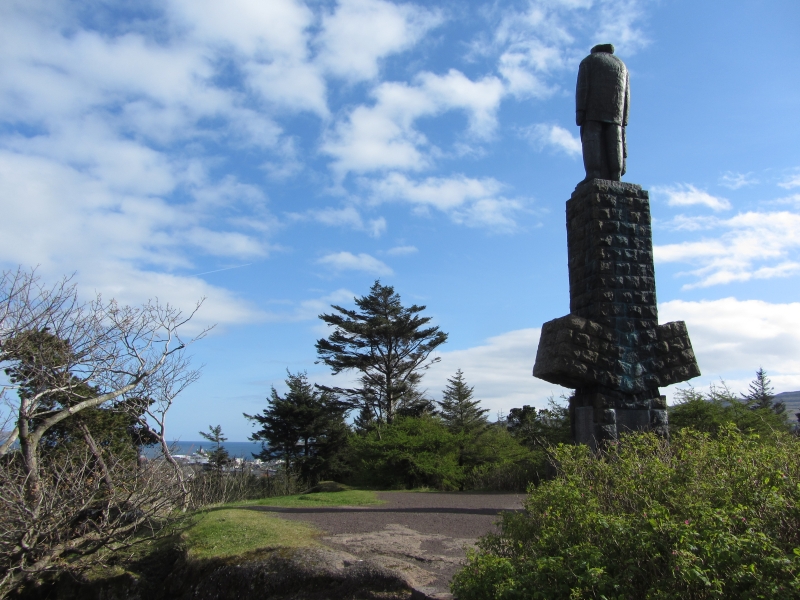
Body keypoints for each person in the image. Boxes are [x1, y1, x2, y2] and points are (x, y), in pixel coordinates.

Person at [576, 43, 629, 181]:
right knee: (615, 140)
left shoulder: (589, 61)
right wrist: (625, 118)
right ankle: (616, 174)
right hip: (616, 113)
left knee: (591, 137)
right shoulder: (621, 64)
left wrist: (580, 110)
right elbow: (627, 94)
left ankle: (593, 173)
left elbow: (582, 87)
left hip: (592, 110)